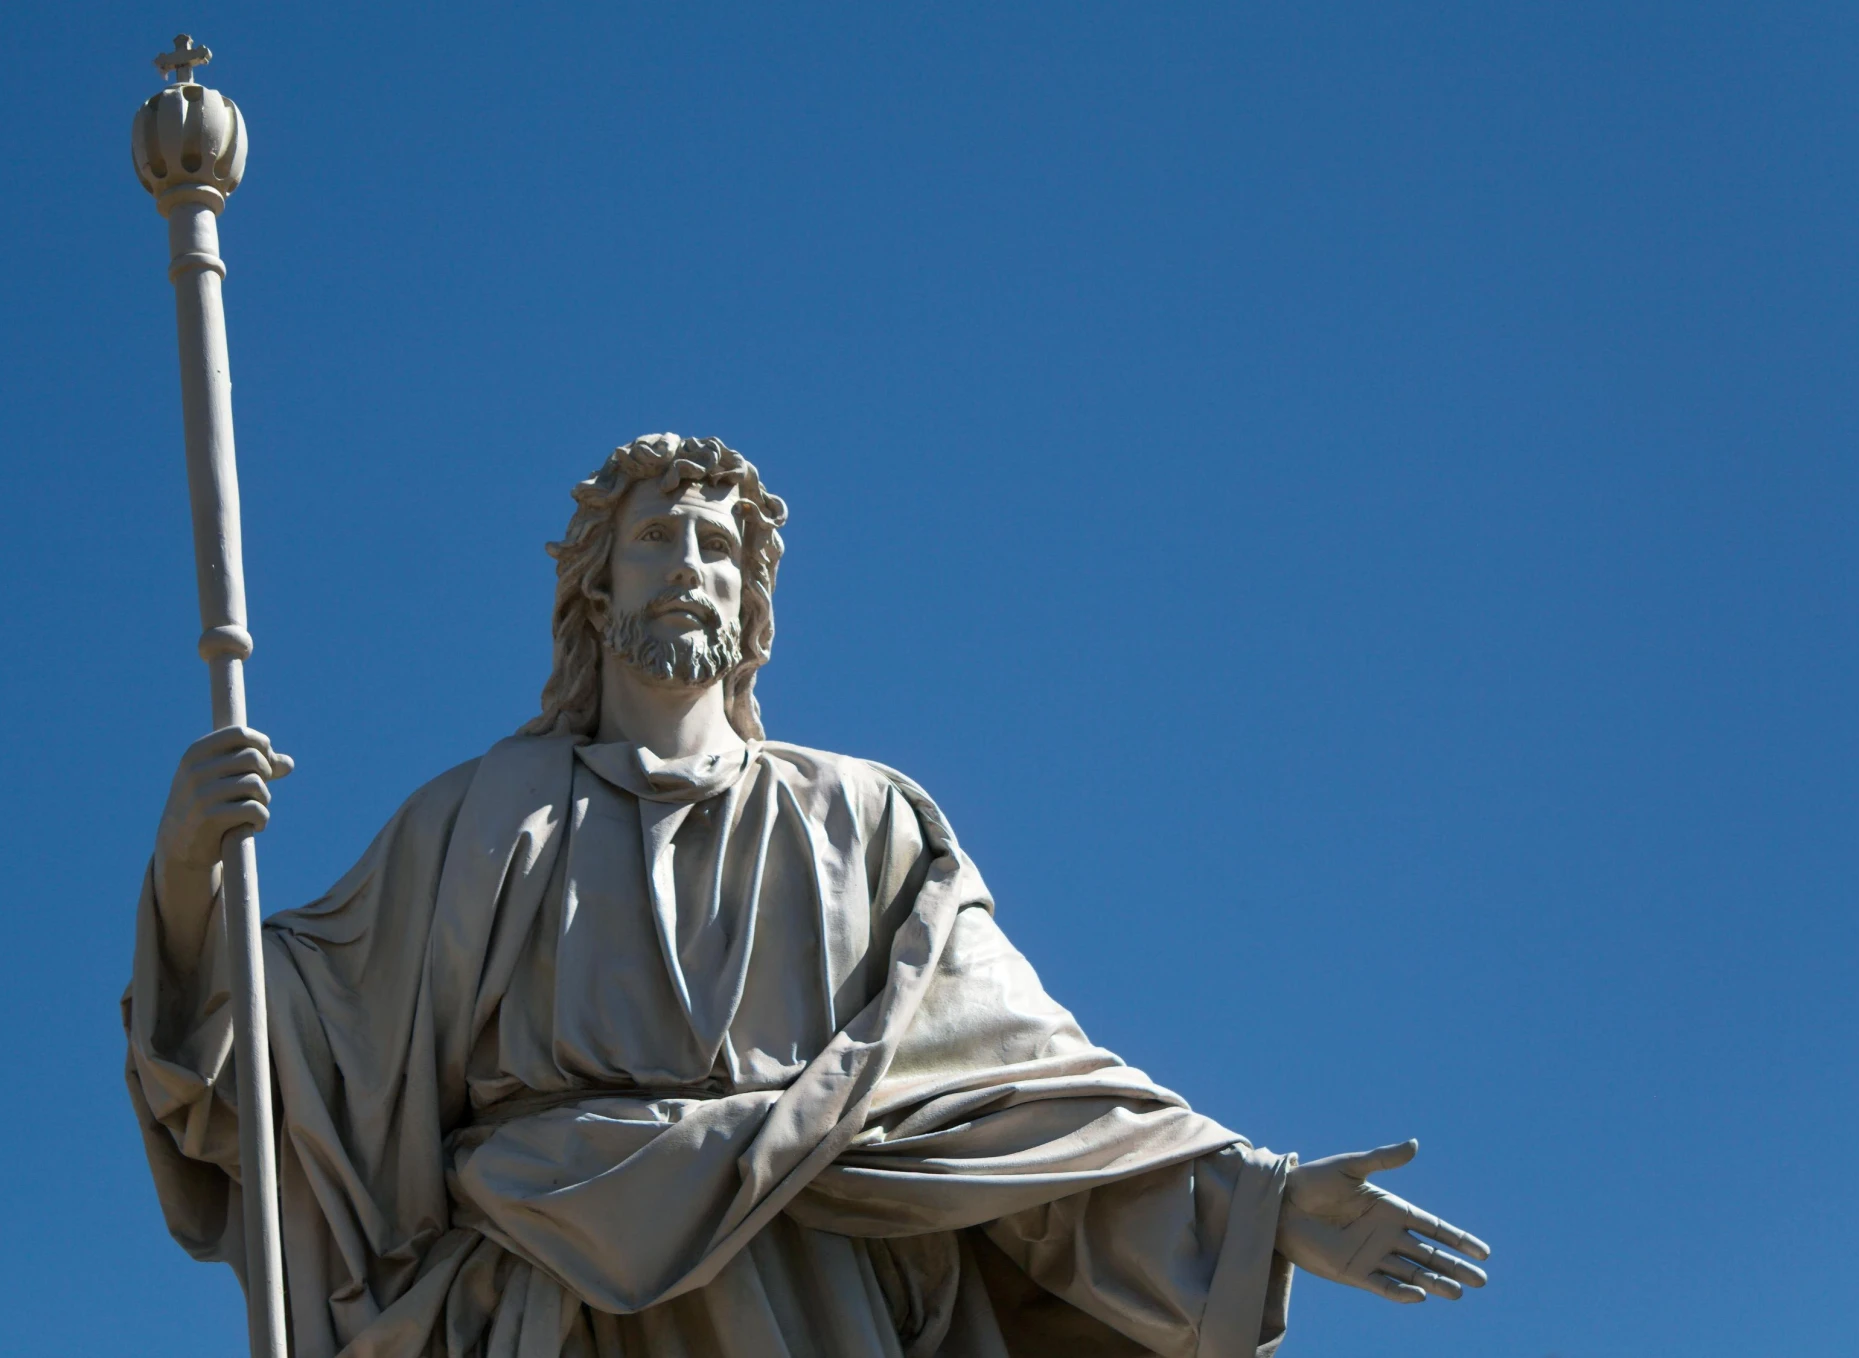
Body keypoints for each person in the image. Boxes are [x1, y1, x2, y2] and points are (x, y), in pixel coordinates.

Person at [125, 433, 1488, 1357]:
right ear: (598, 590)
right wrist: (194, 868)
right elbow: (280, 1054)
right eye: (660, 539)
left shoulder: (868, 820)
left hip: (811, 1292)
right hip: (549, 1301)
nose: (694, 568)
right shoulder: (479, 819)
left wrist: (1256, 1200)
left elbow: (1016, 1098)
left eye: (722, 549)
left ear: (755, 602)